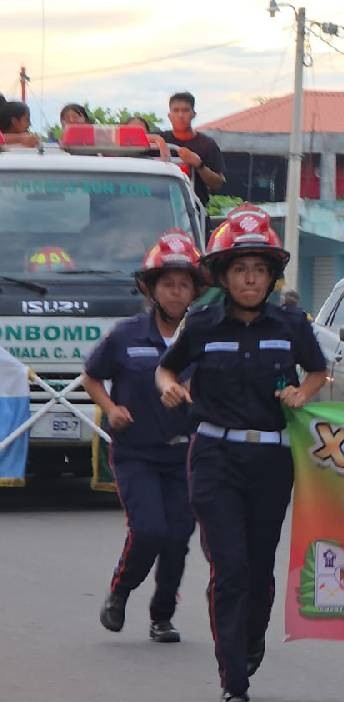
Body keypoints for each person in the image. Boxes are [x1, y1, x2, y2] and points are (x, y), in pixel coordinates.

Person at [155, 203, 326, 702]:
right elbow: (167, 369)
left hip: (272, 461)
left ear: (273, 276)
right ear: (224, 275)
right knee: (228, 568)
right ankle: (233, 683)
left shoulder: (292, 322)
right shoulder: (203, 322)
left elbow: (318, 372)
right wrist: (168, 389)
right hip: (214, 457)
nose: (250, 279)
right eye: (239, 269)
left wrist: (303, 390)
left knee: (258, 571)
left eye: (259, 270)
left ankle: (250, 642)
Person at [83, 230, 203, 644]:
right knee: (149, 529)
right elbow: (91, 377)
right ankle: (119, 592)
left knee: (177, 539)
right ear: (151, 289)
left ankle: (162, 616)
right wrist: (111, 409)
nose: (175, 291)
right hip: (136, 453)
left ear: (195, 290)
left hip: (186, 455)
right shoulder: (125, 335)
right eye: (167, 283)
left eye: (184, 283)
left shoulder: (204, 337)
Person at [160, 92, 225, 210]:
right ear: (169, 115)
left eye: (185, 110)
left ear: (193, 114)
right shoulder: (158, 141)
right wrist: (158, 142)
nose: (180, 115)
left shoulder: (207, 144)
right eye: (176, 110)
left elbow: (218, 184)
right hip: (162, 211)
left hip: (195, 214)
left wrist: (199, 165)